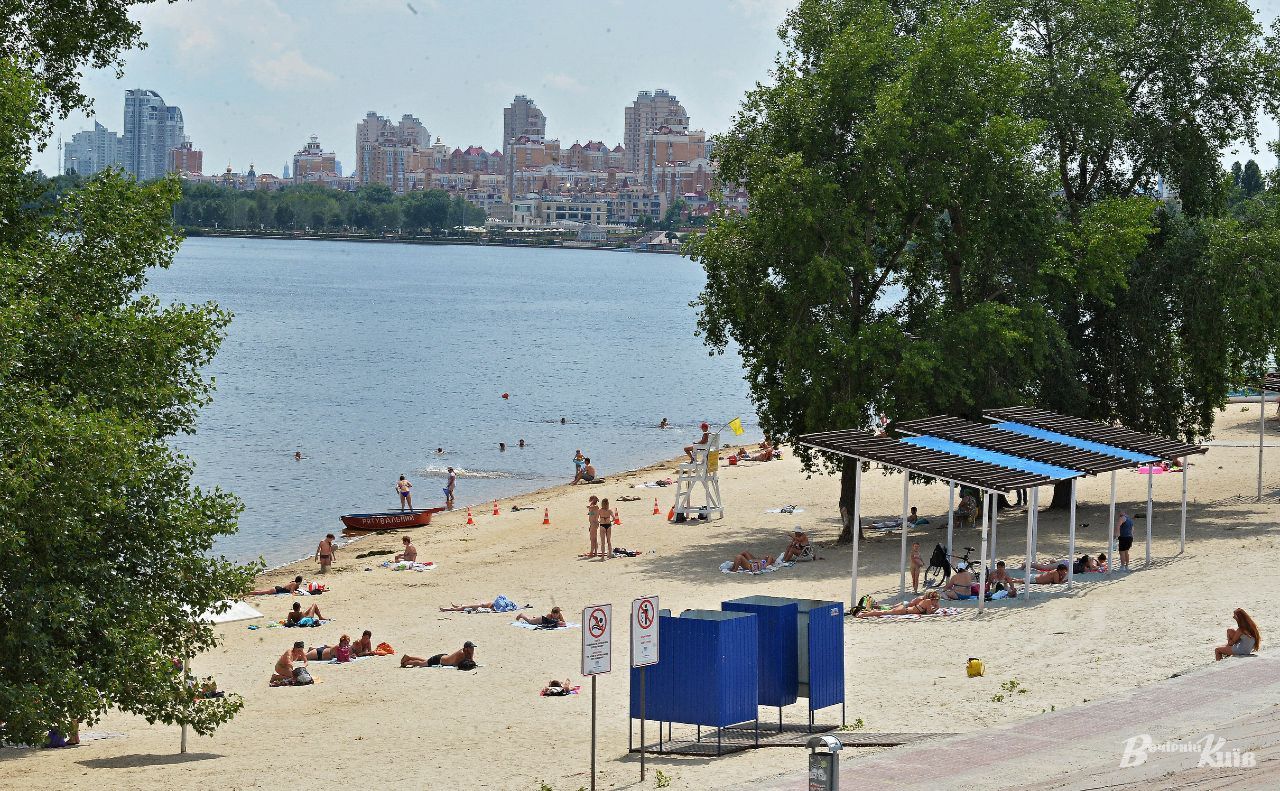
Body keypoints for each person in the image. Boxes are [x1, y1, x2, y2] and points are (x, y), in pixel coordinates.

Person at [856, 591, 940, 618]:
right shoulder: (928, 601)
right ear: (933, 599)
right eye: (937, 601)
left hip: (905, 608)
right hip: (904, 610)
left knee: (885, 610)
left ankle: (865, 613)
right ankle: (863, 614)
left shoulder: (925, 600)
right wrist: (936, 608)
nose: (937, 602)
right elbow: (928, 613)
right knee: (884, 612)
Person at [401, 641, 477, 669]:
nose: (472, 649)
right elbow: (455, 664)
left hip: (443, 657)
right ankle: (407, 662)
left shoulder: (468, 652)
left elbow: (471, 660)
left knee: (426, 661)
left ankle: (409, 657)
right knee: (422, 664)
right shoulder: (461, 653)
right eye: (471, 648)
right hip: (439, 660)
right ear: (466, 648)